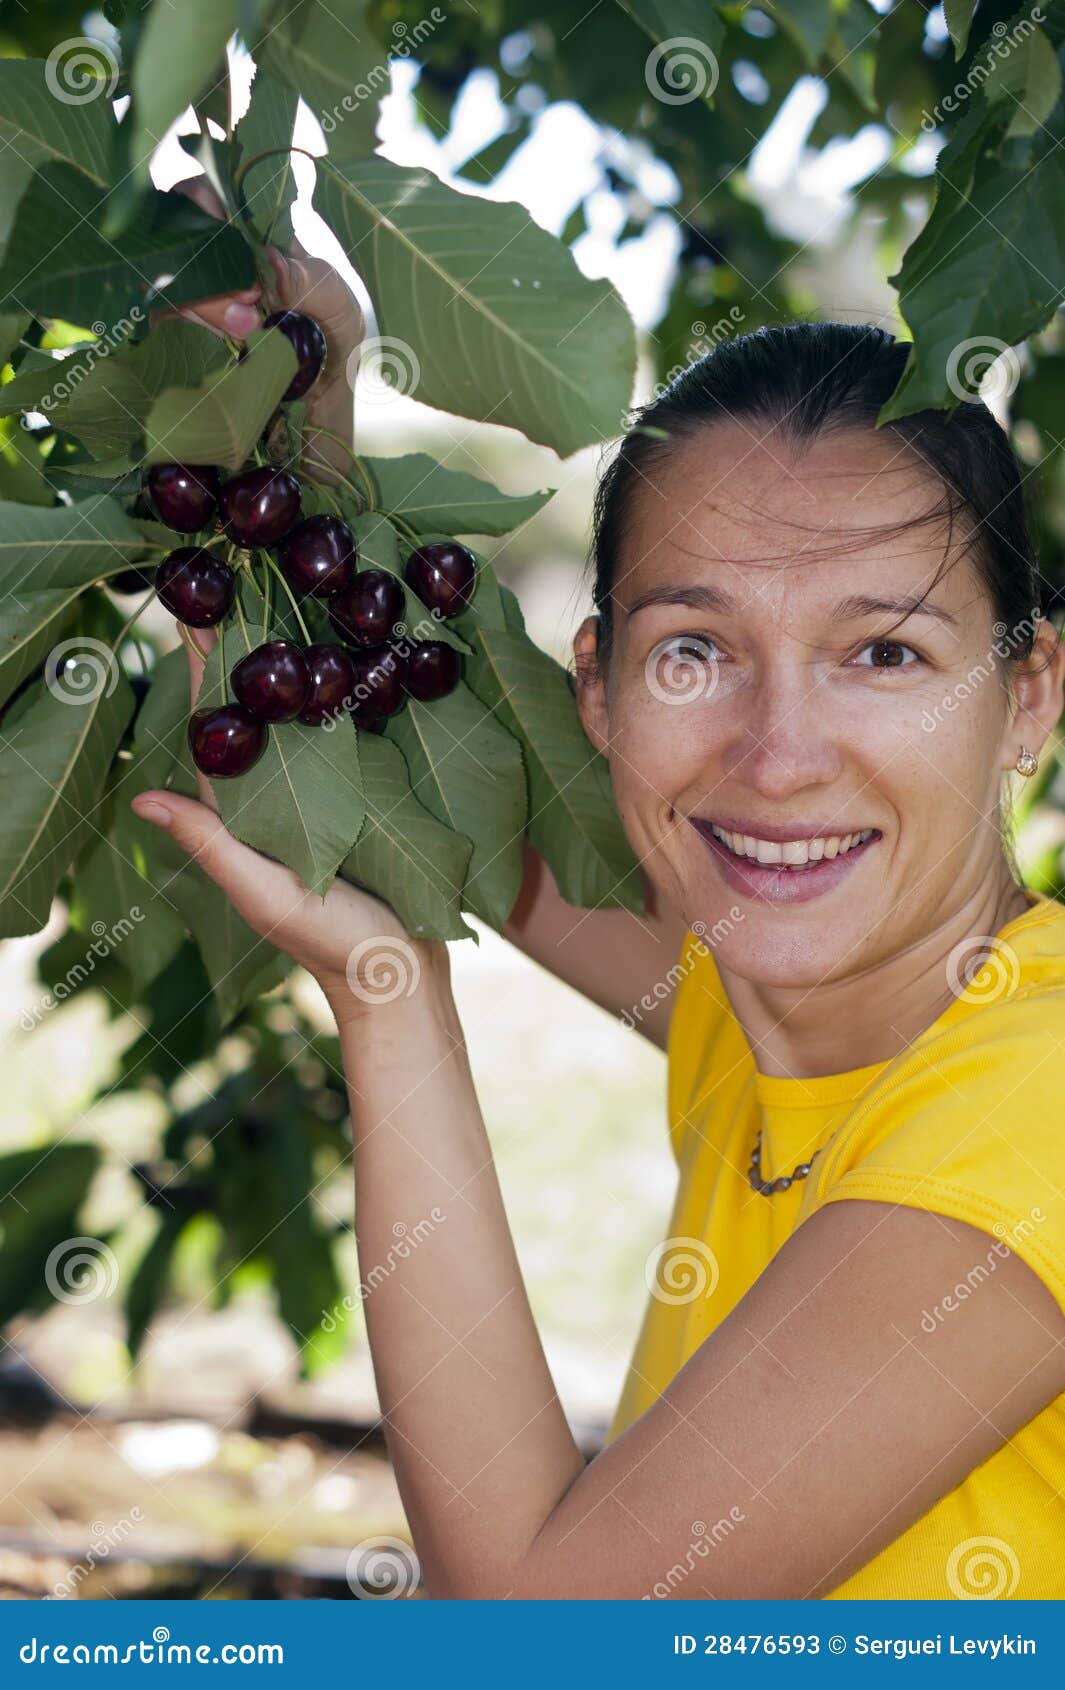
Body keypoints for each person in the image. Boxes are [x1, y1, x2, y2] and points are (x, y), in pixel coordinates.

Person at [132, 250, 1065, 1598]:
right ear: (600, 693)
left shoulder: (1026, 1106)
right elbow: (429, 787)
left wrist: (389, 998)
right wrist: (300, 416)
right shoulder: (780, 1008)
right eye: (693, 649)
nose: (779, 754)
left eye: (883, 652)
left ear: (1026, 695)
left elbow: (538, 1635)